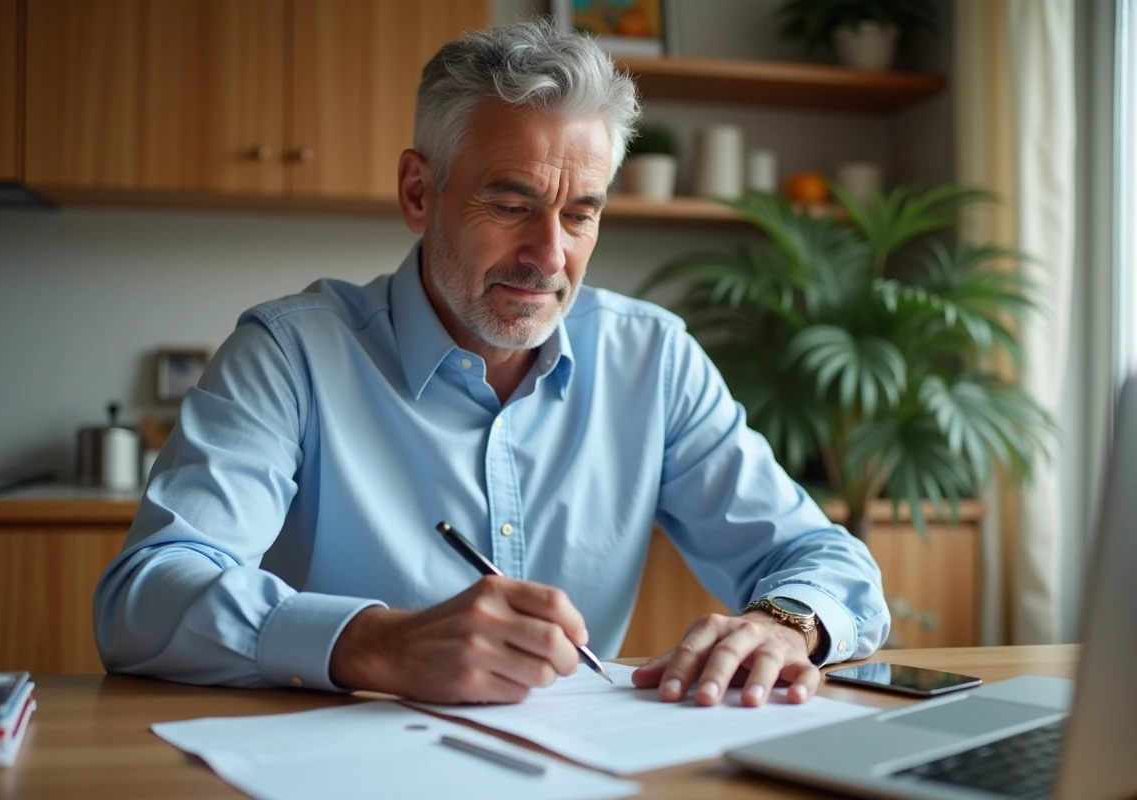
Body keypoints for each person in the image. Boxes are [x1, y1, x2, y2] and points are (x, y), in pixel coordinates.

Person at [94, 20, 889, 709]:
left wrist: (783, 624)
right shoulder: (290, 355)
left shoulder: (653, 359)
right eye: (510, 206)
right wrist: (375, 644)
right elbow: (143, 598)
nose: (549, 256)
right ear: (418, 192)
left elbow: (824, 559)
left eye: (581, 214)